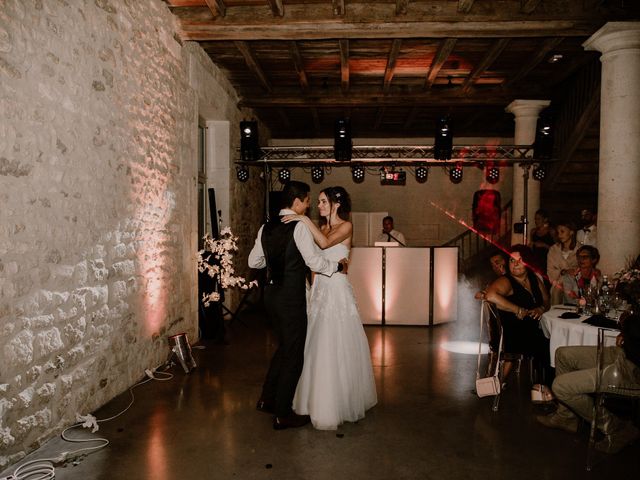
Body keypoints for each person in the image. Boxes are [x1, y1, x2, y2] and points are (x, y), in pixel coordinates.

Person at [248, 181, 348, 430]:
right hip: (290, 298)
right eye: (307, 201)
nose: (309, 205)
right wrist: (336, 267)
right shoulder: (299, 227)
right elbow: (314, 262)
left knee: (284, 347)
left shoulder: (266, 226)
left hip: (270, 296)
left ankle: (266, 399)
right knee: (294, 355)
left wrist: (275, 263)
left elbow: (255, 261)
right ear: (297, 202)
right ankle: (282, 414)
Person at [283, 186, 378, 430]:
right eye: (318, 202)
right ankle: (314, 399)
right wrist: (311, 290)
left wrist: (302, 219)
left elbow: (324, 244)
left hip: (337, 291)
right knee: (315, 344)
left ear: (336, 204)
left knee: (335, 343)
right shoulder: (322, 227)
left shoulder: (345, 226)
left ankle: (339, 401)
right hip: (321, 290)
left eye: (323, 202)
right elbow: (313, 263)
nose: (319, 206)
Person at [536, 314, 640, 454]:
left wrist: (628, 323)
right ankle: (566, 417)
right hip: (625, 352)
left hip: (633, 370)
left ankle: (617, 428)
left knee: (560, 387)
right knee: (563, 355)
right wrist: (626, 330)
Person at [485, 244, 551, 381]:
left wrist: (541, 308)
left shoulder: (534, 278)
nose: (515, 264)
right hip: (516, 333)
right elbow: (490, 295)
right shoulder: (506, 280)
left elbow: (546, 300)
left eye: (520, 260)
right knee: (549, 343)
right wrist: (517, 309)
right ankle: (544, 387)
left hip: (533, 328)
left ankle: (543, 386)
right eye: (511, 260)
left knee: (552, 339)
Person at [546, 220, 579, 305]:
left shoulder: (580, 250)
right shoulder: (553, 250)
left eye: (562, 231)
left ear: (571, 232)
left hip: (575, 287)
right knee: (557, 289)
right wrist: (564, 272)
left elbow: (582, 271)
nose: (559, 235)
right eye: (558, 232)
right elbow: (550, 272)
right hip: (557, 287)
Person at [530, 209, 555, 274]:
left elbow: (557, 250)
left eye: (538, 219)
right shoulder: (533, 232)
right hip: (536, 262)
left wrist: (544, 245)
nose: (536, 221)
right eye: (535, 219)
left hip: (548, 262)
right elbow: (531, 249)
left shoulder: (551, 231)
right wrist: (530, 246)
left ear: (545, 219)